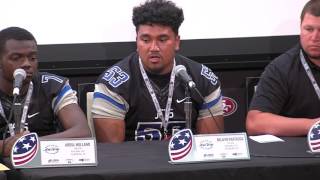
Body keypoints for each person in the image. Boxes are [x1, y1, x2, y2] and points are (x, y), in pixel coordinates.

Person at [92, 0, 224, 143]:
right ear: (137, 41)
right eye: (146, 40)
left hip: (185, 163)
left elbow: (211, 147)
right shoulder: (113, 83)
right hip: (134, 163)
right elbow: (112, 154)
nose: (153, 47)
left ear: (177, 42)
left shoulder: (202, 79)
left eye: (162, 39)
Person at [0, 27, 91, 156]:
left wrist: (28, 145)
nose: (27, 64)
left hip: (43, 163)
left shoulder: (53, 85)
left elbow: (82, 133)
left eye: (32, 58)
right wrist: (3, 147)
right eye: (16, 58)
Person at [246, 0, 320, 136]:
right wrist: (314, 125)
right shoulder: (281, 68)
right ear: (300, 28)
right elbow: (255, 122)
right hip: (302, 152)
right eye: (309, 29)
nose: (315, 37)